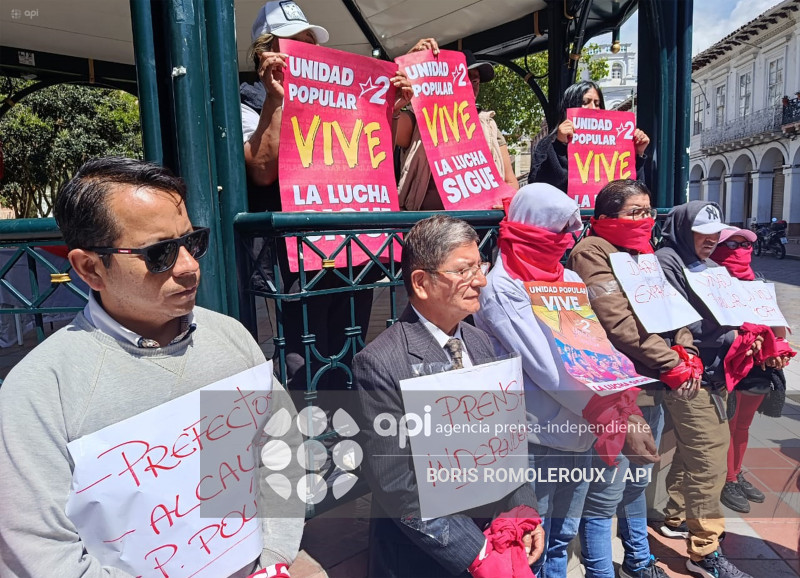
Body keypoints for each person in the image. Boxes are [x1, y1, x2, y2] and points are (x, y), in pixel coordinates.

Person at [0, 157, 303, 577]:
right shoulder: (40, 391)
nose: (188, 266)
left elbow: (278, 445)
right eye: (159, 253)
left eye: (193, 242)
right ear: (90, 268)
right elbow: (40, 548)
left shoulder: (230, 338)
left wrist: (273, 556)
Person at [472, 183, 660, 578]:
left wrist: (625, 405)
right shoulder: (501, 287)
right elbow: (546, 366)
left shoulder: (571, 279)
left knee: (562, 535)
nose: (565, 240)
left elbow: (597, 348)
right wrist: (616, 419)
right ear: (532, 227)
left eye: (568, 231)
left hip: (584, 431)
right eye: (556, 231)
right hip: (536, 438)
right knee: (533, 542)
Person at [352, 215, 543, 577]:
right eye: (464, 270)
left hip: (495, 536)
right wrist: (477, 553)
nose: (481, 280)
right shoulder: (380, 363)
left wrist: (521, 511)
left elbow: (507, 442)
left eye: (480, 266)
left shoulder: (479, 342)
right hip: (425, 559)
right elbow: (396, 483)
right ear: (421, 283)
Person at [567, 180, 703, 578]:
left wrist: (687, 352)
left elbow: (673, 309)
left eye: (648, 211)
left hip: (656, 382)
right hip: (622, 388)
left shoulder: (645, 253)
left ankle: (638, 558)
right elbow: (617, 321)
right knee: (607, 489)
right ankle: (599, 569)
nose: (645, 219)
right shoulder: (592, 251)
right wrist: (670, 361)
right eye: (635, 212)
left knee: (639, 477)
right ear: (606, 216)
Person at [655, 200, 787, 578]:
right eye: (703, 232)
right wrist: (731, 330)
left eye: (716, 233)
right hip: (689, 375)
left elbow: (734, 311)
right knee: (710, 463)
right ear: (684, 230)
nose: (711, 239)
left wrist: (758, 333)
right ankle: (705, 550)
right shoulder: (667, 262)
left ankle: (676, 516)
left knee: (693, 453)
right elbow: (675, 321)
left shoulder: (711, 267)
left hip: (716, 374)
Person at [709, 227, 793, 514]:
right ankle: (727, 479)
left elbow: (776, 322)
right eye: (731, 244)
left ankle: (736, 473)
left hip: (758, 366)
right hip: (725, 366)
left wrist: (778, 348)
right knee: (726, 425)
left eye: (745, 244)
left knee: (742, 425)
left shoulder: (759, 282)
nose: (739, 250)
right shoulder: (706, 282)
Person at [395, 47, 519, 211]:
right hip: (430, 224)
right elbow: (386, 129)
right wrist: (395, 103)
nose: (471, 87)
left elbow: (510, 181)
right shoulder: (419, 120)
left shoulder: (488, 124)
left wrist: (506, 203)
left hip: (481, 224)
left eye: (475, 81)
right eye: (463, 78)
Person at [527, 81, 650, 192]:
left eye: (597, 104)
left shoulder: (614, 144)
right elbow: (537, 184)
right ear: (570, 105)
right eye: (585, 102)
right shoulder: (549, 143)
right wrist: (560, 145)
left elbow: (633, 188)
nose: (593, 108)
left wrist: (637, 154)